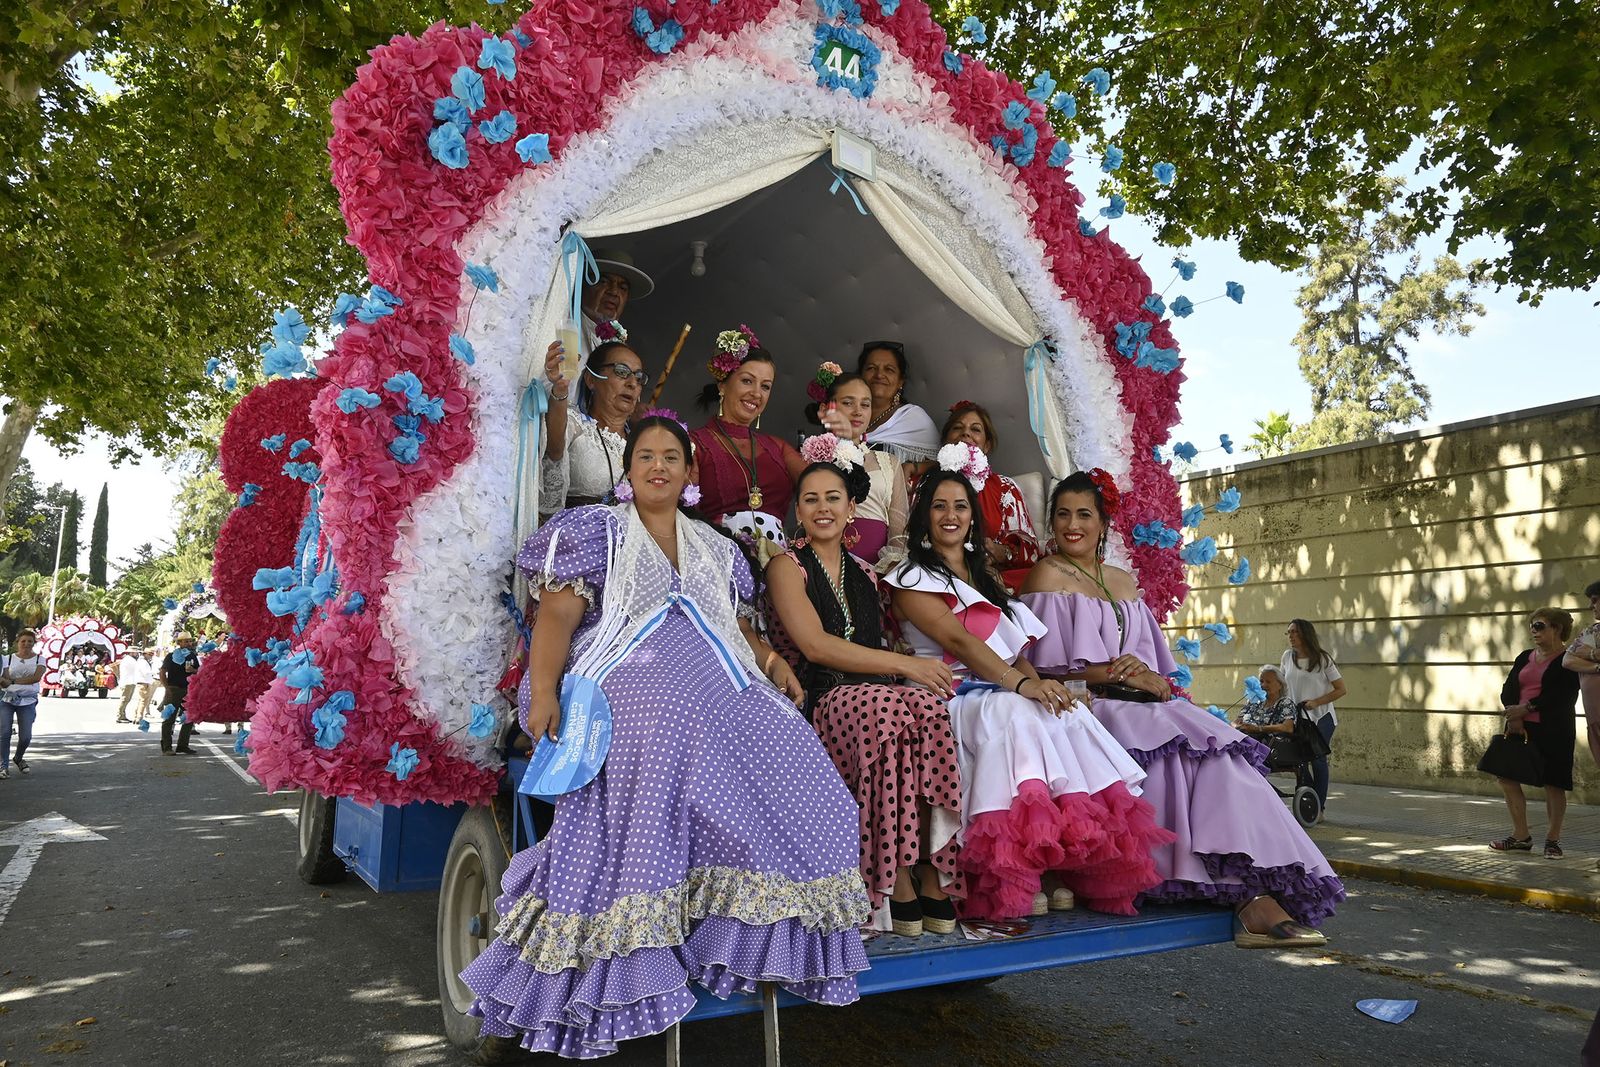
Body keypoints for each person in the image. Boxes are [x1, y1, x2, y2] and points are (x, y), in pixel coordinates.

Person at [461, 416, 870, 1057]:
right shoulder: (593, 533)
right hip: (624, 676)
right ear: (629, 470)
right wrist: (542, 692)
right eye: (646, 456)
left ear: (688, 471)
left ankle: (743, 922)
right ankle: (638, 937)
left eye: (671, 457)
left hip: (720, 678)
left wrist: (772, 662)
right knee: (663, 730)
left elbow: (739, 631)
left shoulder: (716, 548)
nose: (658, 466)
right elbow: (557, 618)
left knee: (794, 745)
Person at [1020, 471, 1343, 947]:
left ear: (1103, 522)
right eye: (1063, 514)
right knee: (1180, 748)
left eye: (1084, 514)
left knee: (1223, 753)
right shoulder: (1048, 575)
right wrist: (1116, 673)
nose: (1072, 525)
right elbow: (1039, 666)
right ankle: (1241, 896)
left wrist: (1146, 677)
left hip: (1144, 703)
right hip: (1086, 705)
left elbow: (1151, 665)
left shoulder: (1123, 582)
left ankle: (1253, 890)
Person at [884, 466, 1170, 920]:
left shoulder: (987, 580)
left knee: (1066, 713)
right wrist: (1022, 686)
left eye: (960, 506)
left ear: (973, 518)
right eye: (939, 506)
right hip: (950, 693)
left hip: (997, 687)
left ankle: (1056, 864)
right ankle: (1018, 870)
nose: (950, 515)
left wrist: (1044, 686)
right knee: (1014, 713)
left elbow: (1015, 651)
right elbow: (961, 644)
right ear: (924, 516)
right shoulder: (912, 578)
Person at [765, 448, 961, 936]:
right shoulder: (788, 566)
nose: (823, 507)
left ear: (852, 508)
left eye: (834, 497)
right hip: (821, 695)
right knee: (887, 710)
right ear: (799, 511)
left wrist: (908, 675)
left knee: (930, 712)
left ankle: (931, 866)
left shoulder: (867, 573)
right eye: (811, 499)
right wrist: (905, 665)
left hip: (876, 693)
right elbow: (815, 646)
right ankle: (889, 877)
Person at [688, 326, 805, 558]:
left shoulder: (778, 447)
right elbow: (684, 512)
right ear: (723, 384)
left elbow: (816, 483)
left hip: (778, 564)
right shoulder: (694, 443)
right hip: (717, 558)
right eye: (747, 381)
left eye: (765, 386)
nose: (757, 393)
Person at [1490, 607, 1579, 858]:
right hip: (1519, 726)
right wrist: (1513, 715)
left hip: (1554, 729)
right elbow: (1509, 688)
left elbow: (1562, 697)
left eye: (1539, 626)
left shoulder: (1568, 659)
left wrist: (1526, 708)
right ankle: (1520, 836)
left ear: (1557, 629)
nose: (1533, 631)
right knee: (1506, 777)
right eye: (1531, 626)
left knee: (1554, 783)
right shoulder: (1525, 656)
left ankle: (1552, 840)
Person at [805, 365, 908, 567]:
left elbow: (899, 527)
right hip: (823, 563)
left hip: (879, 568)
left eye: (865, 404)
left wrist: (889, 568)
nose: (858, 412)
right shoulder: (812, 456)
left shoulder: (888, 462)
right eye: (848, 403)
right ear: (826, 409)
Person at [939, 401, 1040, 589]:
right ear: (946, 440)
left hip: (993, 576)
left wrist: (1001, 552)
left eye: (975, 429)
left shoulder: (1004, 488)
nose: (966, 433)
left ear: (987, 445)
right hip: (938, 573)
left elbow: (1031, 549)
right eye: (957, 428)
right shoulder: (926, 484)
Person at [540, 340, 647, 513]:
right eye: (621, 372)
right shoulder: (575, 424)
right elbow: (554, 447)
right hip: (574, 536)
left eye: (639, 377)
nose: (632, 383)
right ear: (591, 380)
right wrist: (560, 388)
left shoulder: (642, 446)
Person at [1279, 619, 1347, 811]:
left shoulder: (1322, 659)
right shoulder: (1286, 657)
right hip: (1297, 718)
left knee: (1317, 759)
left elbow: (1341, 689)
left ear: (1305, 634)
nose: (1291, 636)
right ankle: (1310, 802)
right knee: (1298, 761)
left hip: (1321, 717)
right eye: (1289, 632)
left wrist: (1316, 702)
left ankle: (1319, 808)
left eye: (1295, 632)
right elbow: (1283, 686)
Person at [856, 341, 939, 479]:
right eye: (871, 368)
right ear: (860, 376)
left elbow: (942, 464)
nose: (879, 375)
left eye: (889, 369)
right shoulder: (844, 414)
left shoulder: (914, 419)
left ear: (901, 381)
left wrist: (914, 467)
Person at [578, 248, 652, 357]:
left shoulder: (619, 348)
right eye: (604, 282)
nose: (614, 292)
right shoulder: (561, 325)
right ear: (583, 285)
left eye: (623, 288)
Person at [1563, 579, 1600, 768]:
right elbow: (1568, 660)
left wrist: (1590, 653)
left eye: (1594, 600)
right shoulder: (1591, 633)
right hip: (1595, 719)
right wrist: (1596, 664)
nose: (1590, 606)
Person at [0, 629, 46, 779]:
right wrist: (9, 682)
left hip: (28, 701)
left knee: (25, 737)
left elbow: (36, 678)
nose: (26, 644)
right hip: (7, 700)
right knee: (4, 733)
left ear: (34, 643)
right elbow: (4, 679)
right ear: (17, 643)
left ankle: (18, 758)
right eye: (23, 641)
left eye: (30, 641)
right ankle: (3, 766)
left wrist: (12, 681)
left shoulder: (40, 659)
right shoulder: (7, 658)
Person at [159, 634, 200, 755]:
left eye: (189, 641)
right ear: (179, 643)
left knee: (189, 718)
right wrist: (167, 688)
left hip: (189, 690)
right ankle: (167, 747)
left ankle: (183, 745)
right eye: (185, 641)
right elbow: (162, 672)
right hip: (174, 689)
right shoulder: (171, 656)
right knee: (169, 718)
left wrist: (194, 670)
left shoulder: (192, 656)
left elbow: (199, 671)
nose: (188, 643)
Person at [1236, 665, 1296, 736]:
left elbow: (1288, 728)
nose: (1263, 685)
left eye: (1268, 682)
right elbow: (1236, 722)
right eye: (1261, 681)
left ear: (1280, 685)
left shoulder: (1285, 703)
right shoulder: (1253, 701)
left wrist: (1258, 729)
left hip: (1267, 745)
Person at [115, 646, 152, 724]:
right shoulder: (130, 660)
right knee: (124, 699)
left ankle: (122, 715)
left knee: (126, 699)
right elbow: (139, 667)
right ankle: (120, 715)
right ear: (132, 652)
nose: (137, 654)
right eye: (136, 652)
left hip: (130, 681)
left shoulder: (129, 659)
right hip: (128, 682)